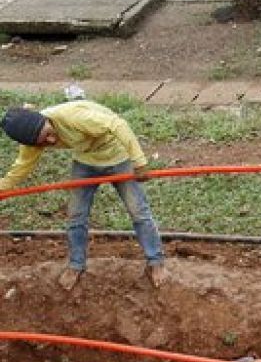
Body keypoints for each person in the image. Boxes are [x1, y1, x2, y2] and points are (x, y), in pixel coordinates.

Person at [0, 101, 168, 291]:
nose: (51, 142)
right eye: (43, 143)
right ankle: (76, 265)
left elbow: (118, 124)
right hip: (85, 161)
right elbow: (20, 169)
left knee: (138, 211)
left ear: (45, 119)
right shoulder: (32, 141)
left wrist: (139, 162)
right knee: (76, 216)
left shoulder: (74, 117)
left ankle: (156, 262)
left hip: (117, 156)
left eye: (49, 135)